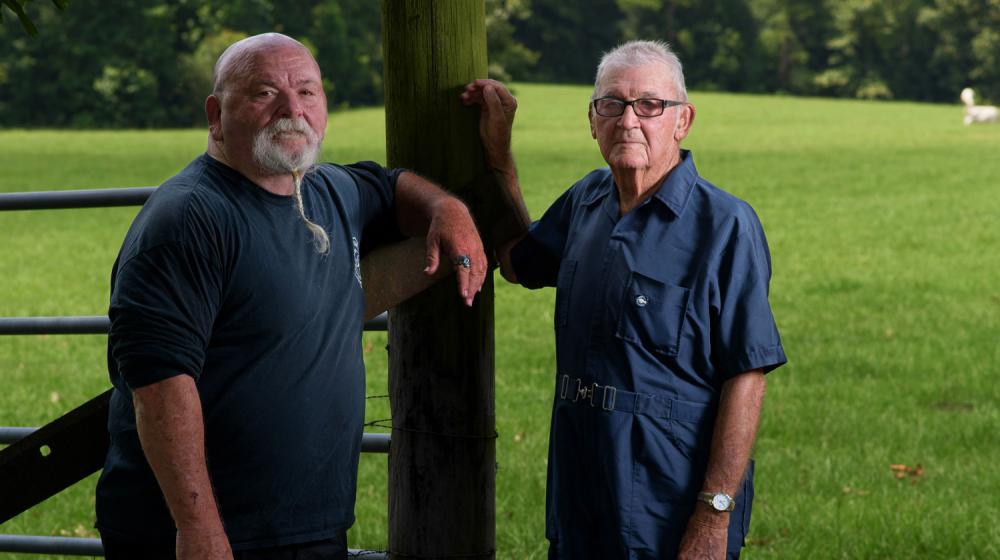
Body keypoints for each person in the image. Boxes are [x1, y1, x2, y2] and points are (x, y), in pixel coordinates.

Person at [96, 33, 487, 559]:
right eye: (264, 93)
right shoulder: (189, 220)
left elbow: (389, 185)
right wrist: (199, 531)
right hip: (208, 536)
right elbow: (159, 389)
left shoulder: (327, 193)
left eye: (307, 92)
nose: (291, 109)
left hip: (308, 528)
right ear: (216, 114)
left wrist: (448, 209)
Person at [462, 40, 786, 559]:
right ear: (593, 120)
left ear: (683, 121)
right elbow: (516, 260)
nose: (629, 120)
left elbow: (746, 377)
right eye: (612, 104)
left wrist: (713, 513)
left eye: (650, 105)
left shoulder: (725, 226)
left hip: (668, 498)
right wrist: (499, 155)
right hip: (580, 489)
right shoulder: (585, 202)